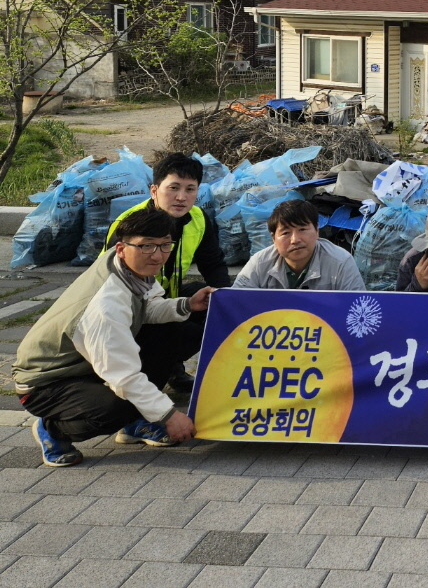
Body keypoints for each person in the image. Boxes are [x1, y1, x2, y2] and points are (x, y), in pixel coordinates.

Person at [14, 208, 213, 467]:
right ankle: (52, 428)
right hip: (47, 381)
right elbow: (123, 376)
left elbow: (148, 309)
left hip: (87, 361)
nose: (157, 255)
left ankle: (135, 423)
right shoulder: (106, 304)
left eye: (165, 245)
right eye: (146, 246)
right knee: (115, 409)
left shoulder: (128, 267)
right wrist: (168, 416)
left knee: (172, 327)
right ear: (121, 248)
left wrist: (187, 305)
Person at [106, 152, 231, 393]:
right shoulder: (131, 226)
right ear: (154, 190)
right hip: (130, 311)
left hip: (166, 299)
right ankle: (145, 380)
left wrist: (226, 300)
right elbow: (108, 283)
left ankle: (171, 366)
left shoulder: (198, 218)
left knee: (210, 299)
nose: (181, 197)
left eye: (190, 189)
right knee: (178, 333)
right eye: (173, 187)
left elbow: (213, 264)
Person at [233, 199, 367, 291]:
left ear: (317, 231)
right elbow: (235, 301)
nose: (295, 240)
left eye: (302, 229)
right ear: (274, 238)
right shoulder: (260, 263)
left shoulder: (341, 262)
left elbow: (357, 307)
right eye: (285, 233)